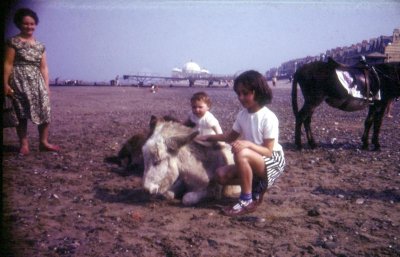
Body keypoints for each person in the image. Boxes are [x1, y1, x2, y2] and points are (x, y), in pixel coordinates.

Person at [198, 70, 285, 216]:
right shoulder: (242, 115)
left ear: (257, 91)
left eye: (245, 93)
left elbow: (268, 151)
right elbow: (230, 137)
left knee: (241, 152)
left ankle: (246, 200)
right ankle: (255, 186)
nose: (241, 97)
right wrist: (207, 137)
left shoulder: (268, 117)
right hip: (253, 158)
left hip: (272, 161)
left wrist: (247, 144)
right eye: (238, 94)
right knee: (220, 175)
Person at [3, 8, 59, 155]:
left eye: (32, 24)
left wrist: (46, 86)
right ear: (19, 24)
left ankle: (44, 142)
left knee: (45, 111)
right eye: (26, 24)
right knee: (21, 113)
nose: (29, 27)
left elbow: (44, 67)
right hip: (18, 80)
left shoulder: (41, 46)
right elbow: (8, 64)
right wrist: (5, 83)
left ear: (36, 25)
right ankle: (24, 144)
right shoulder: (13, 42)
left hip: (37, 80)